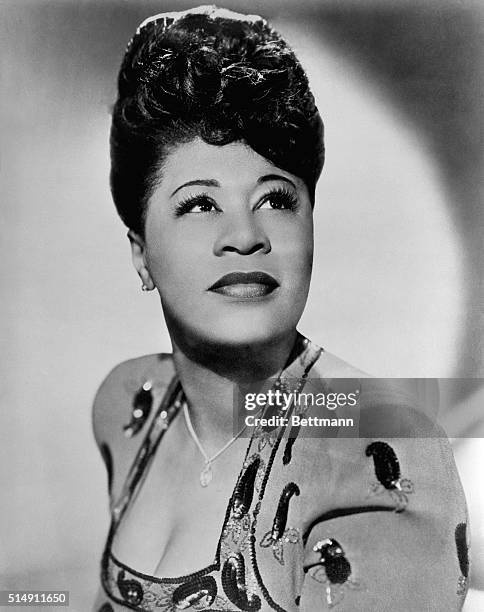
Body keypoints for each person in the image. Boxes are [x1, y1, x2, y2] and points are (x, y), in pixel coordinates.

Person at [92, 6, 468, 611]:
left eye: (275, 198)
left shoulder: (379, 448)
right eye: (199, 205)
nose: (244, 235)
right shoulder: (129, 406)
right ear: (141, 254)